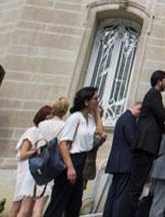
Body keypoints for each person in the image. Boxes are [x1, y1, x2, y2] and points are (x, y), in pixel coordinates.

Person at [44, 86, 104, 217]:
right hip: (71, 160)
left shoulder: (89, 118)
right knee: (59, 202)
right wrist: (70, 167)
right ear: (86, 102)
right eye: (95, 98)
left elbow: (100, 132)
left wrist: (97, 113)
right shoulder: (75, 118)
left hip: (82, 161)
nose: (98, 101)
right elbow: (63, 143)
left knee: (75, 204)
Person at [128, 70, 165, 215]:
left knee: (137, 184)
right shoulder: (154, 94)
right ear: (159, 81)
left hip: (146, 145)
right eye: (164, 80)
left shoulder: (152, 95)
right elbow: (163, 115)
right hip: (145, 145)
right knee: (136, 185)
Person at [9, 105, 51, 217]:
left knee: (30, 207)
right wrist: (35, 151)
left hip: (35, 174)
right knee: (17, 205)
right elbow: (22, 154)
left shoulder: (45, 134)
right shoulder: (33, 131)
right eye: (48, 119)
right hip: (25, 172)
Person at [103, 102, 141, 217]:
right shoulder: (130, 119)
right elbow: (132, 139)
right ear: (138, 109)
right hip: (124, 162)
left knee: (113, 193)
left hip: (117, 162)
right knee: (120, 195)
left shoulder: (122, 117)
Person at [35, 98, 70, 216]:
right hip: (55, 165)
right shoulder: (65, 126)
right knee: (45, 204)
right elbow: (63, 146)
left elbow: (38, 144)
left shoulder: (42, 124)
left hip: (41, 162)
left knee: (36, 202)